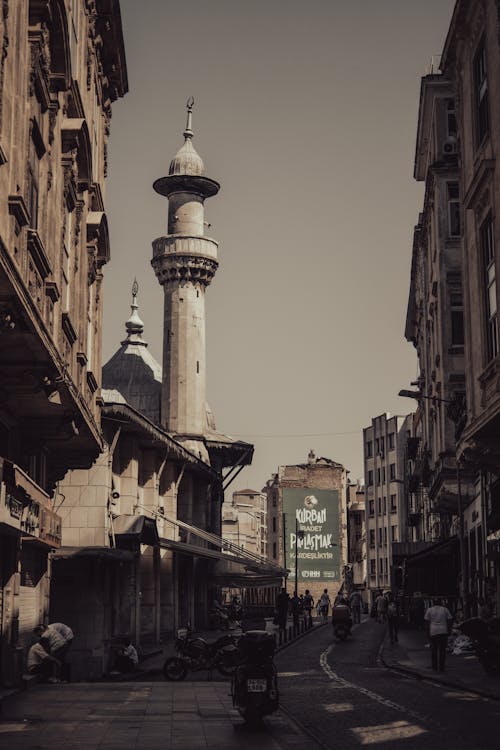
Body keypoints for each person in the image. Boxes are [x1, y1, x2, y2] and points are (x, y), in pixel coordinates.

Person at [424, 598, 453, 672]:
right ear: (441, 602)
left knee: (434, 650)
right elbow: (450, 619)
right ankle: (441, 667)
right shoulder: (445, 609)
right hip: (443, 631)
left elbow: (427, 622)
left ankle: (434, 667)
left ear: (433, 602)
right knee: (442, 650)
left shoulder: (429, 610)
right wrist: (449, 629)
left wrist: (427, 633)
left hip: (433, 631)